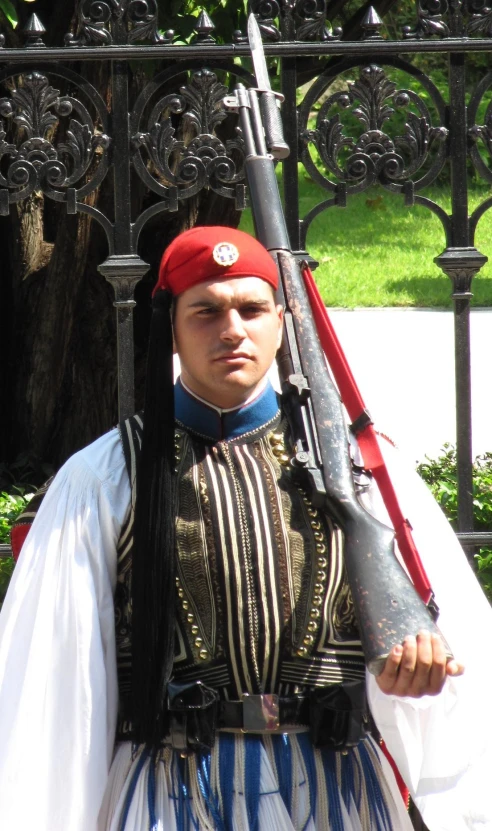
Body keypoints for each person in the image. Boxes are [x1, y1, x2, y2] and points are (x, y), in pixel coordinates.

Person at [0, 225, 491, 831]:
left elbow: (457, 651)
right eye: (205, 311)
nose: (232, 329)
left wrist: (418, 665)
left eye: (252, 309)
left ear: (282, 322)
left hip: (340, 790)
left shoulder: (361, 467)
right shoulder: (104, 478)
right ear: (171, 330)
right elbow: (53, 681)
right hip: (173, 793)